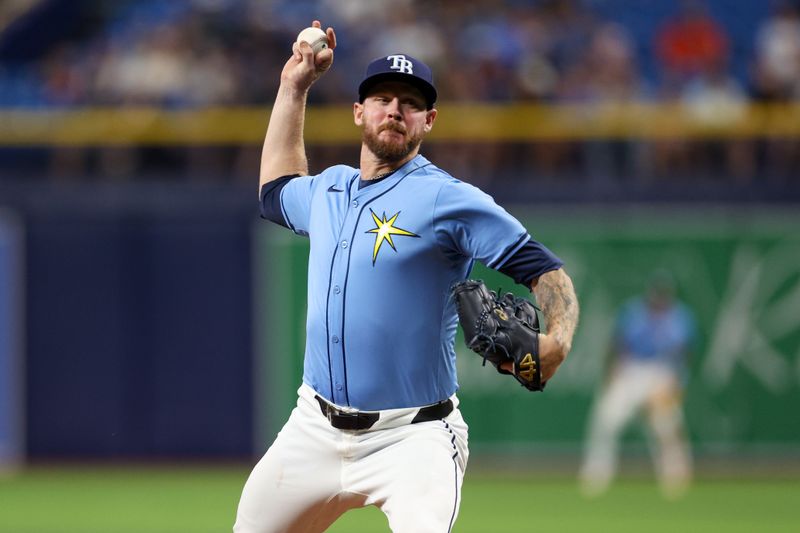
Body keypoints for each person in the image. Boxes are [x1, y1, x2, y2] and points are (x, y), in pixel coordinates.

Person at [234, 20, 579, 533]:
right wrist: (294, 86)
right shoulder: (329, 190)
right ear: (359, 112)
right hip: (313, 427)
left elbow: (544, 270)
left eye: (410, 102)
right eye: (382, 98)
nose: (394, 109)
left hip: (413, 437)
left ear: (428, 120)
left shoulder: (447, 197)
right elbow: (274, 190)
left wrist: (559, 340)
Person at [579, 270, 697, 499]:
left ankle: (675, 477)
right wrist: (613, 372)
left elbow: (684, 354)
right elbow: (618, 344)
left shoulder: (681, 317)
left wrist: (675, 383)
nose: (660, 300)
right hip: (631, 370)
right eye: (657, 295)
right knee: (606, 418)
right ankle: (597, 473)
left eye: (664, 296)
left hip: (662, 373)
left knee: (666, 427)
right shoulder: (634, 312)